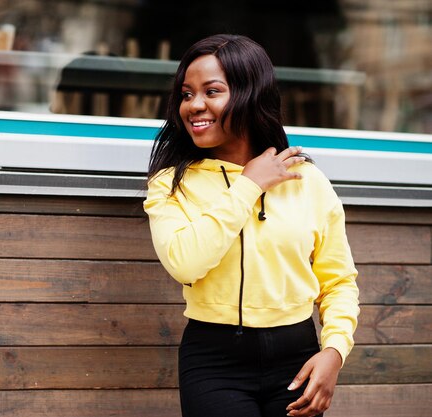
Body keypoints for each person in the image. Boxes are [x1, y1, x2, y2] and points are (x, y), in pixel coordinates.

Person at [143, 34, 359, 417]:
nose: (194, 105)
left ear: (250, 94)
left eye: (212, 91)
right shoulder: (171, 183)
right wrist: (248, 185)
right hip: (214, 362)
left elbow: (338, 280)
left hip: (297, 359)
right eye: (186, 94)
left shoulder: (307, 181)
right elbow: (185, 263)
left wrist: (334, 352)